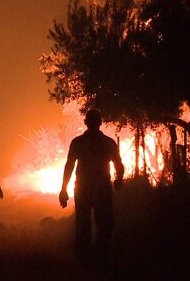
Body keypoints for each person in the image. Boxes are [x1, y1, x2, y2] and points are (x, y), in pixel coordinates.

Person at [59, 109, 124, 265]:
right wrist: (119, 179)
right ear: (100, 122)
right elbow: (119, 164)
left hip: (83, 188)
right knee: (104, 224)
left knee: (83, 225)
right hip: (102, 187)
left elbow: (69, 166)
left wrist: (63, 189)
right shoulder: (108, 143)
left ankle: (84, 261)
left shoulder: (78, 143)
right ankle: (102, 259)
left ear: (86, 122)